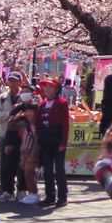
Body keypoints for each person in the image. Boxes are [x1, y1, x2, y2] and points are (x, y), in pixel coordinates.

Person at [35, 77, 69, 208]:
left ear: (56, 89)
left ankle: (62, 196)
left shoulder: (62, 102)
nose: (47, 90)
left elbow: (65, 124)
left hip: (57, 140)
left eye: (50, 87)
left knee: (59, 170)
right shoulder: (42, 104)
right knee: (47, 170)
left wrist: (63, 142)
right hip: (45, 141)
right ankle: (50, 196)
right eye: (46, 87)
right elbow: (38, 123)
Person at [0, 72, 23, 192]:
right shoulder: (3, 98)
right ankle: (5, 189)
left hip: (21, 137)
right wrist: (9, 113)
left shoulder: (25, 97)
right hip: (5, 134)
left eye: (15, 81)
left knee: (21, 165)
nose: (12, 83)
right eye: (10, 81)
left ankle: (21, 189)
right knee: (4, 165)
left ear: (20, 82)